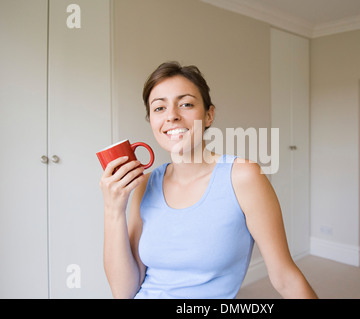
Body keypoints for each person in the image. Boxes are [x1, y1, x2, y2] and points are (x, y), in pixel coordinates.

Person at [100, 61, 318, 299]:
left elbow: (286, 279)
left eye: (185, 104)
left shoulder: (242, 176)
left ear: (208, 115)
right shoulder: (146, 184)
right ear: (152, 120)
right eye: (159, 108)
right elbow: (123, 293)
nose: (171, 116)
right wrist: (113, 209)